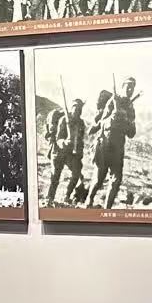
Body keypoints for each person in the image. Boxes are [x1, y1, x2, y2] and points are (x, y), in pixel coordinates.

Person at [88, 76, 137, 209]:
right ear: (122, 87)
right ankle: (89, 200)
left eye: (132, 88)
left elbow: (132, 133)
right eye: (128, 87)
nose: (130, 90)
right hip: (105, 144)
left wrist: (126, 120)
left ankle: (107, 209)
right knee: (98, 179)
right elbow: (102, 122)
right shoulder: (113, 101)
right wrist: (114, 117)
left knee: (116, 180)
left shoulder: (131, 108)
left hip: (118, 148)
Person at [45, 97, 85, 204]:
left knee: (77, 173)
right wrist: (65, 142)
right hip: (58, 152)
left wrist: (79, 154)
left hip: (70, 154)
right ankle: (49, 199)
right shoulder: (63, 120)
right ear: (72, 108)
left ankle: (67, 196)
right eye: (75, 107)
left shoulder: (81, 123)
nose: (77, 110)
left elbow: (80, 140)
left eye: (79, 108)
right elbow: (58, 139)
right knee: (55, 176)